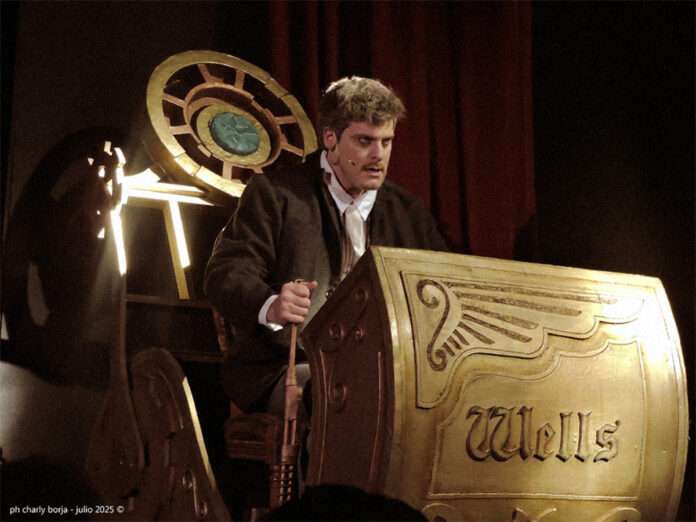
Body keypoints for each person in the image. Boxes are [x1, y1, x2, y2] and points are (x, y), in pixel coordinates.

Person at [205, 76, 448, 416]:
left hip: (384, 369)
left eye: (386, 141)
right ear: (330, 139)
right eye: (364, 141)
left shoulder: (409, 213)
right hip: (284, 367)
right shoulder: (276, 195)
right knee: (352, 395)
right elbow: (226, 273)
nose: (378, 155)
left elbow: (443, 289)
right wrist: (271, 305)